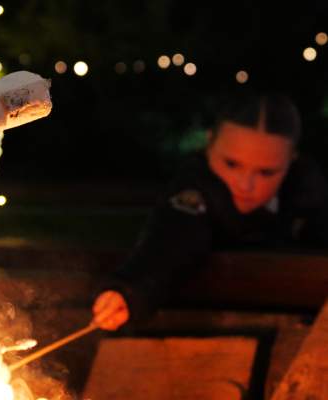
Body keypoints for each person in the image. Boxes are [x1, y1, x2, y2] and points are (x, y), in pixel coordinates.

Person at [92, 93, 328, 331]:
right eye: (232, 164)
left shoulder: (310, 197)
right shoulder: (195, 192)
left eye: (266, 172)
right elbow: (171, 240)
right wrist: (131, 291)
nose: (245, 185)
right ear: (209, 144)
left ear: (291, 161)